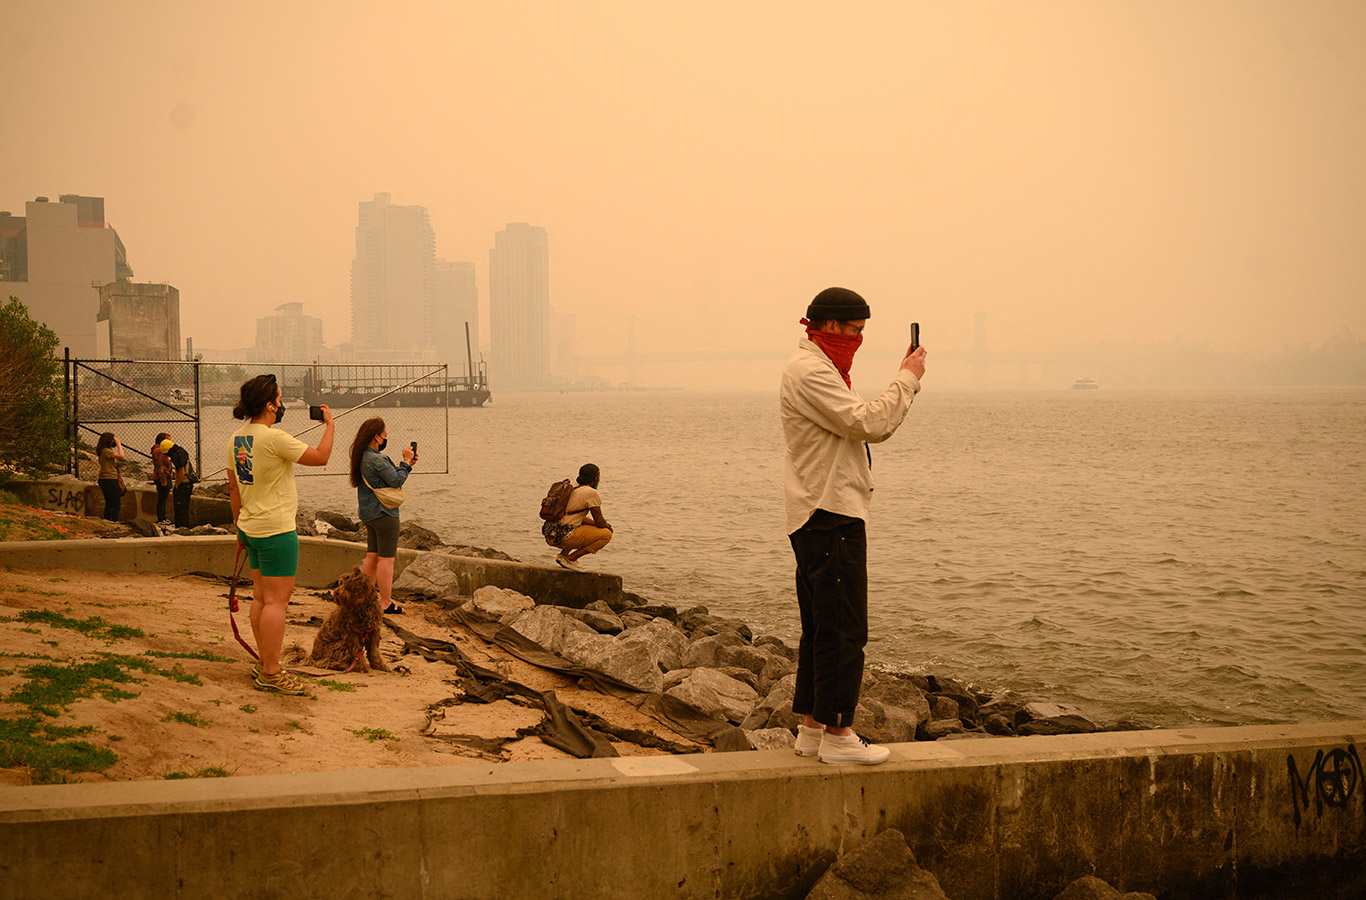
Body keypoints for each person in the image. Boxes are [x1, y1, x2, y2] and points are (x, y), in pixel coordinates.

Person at [780, 287, 926, 765]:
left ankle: (812, 728)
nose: (859, 341)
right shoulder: (811, 372)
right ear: (832, 327)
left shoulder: (822, 370)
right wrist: (907, 379)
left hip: (817, 511)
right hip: (831, 511)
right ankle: (840, 735)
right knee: (844, 629)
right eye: (856, 332)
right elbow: (868, 424)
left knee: (821, 627)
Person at [226, 373, 334, 695]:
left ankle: (265, 663)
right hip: (276, 531)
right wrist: (329, 426)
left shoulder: (236, 439)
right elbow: (321, 458)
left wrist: (239, 528)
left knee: (260, 598)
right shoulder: (274, 439)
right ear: (270, 405)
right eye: (281, 397)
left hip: (251, 527)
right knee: (276, 603)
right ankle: (272, 671)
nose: (282, 403)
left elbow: (234, 489)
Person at [350, 417, 414, 615]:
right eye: (385, 435)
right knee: (387, 559)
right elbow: (396, 480)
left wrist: (407, 464)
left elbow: (388, 477)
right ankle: (385, 602)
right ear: (376, 437)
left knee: (372, 555)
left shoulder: (361, 457)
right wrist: (405, 461)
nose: (386, 438)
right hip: (384, 513)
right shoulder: (378, 459)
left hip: (368, 513)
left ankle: (365, 597)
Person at [548, 463, 612, 571]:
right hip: (564, 536)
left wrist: (597, 525)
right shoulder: (592, 493)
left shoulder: (572, 487)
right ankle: (570, 559)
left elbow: (577, 518)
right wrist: (608, 526)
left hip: (551, 533)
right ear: (596, 478)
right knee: (606, 534)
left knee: (579, 526)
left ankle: (563, 556)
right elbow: (599, 521)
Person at [161, 437, 194, 530]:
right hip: (188, 483)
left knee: (179, 507)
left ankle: (180, 527)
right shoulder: (182, 451)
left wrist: (176, 485)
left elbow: (181, 472)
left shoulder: (176, 456)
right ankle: (185, 526)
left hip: (183, 484)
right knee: (185, 507)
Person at [94, 432, 125, 521]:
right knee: (116, 504)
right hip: (109, 479)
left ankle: (107, 520)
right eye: (113, 440)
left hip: (104, 479)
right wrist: (119, 444)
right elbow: (121, 455)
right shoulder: (106, 451)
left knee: (109, 503)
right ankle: (113, 522)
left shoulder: (103, 450)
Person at [151, 432, 174, 524]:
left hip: (164, 475)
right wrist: (163, 479)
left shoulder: (161, 450)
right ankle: (161, 519)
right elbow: (159, 466)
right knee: (162, 499)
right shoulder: (158, 451)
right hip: (162, 476)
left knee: (163, 498)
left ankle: (163, 518)